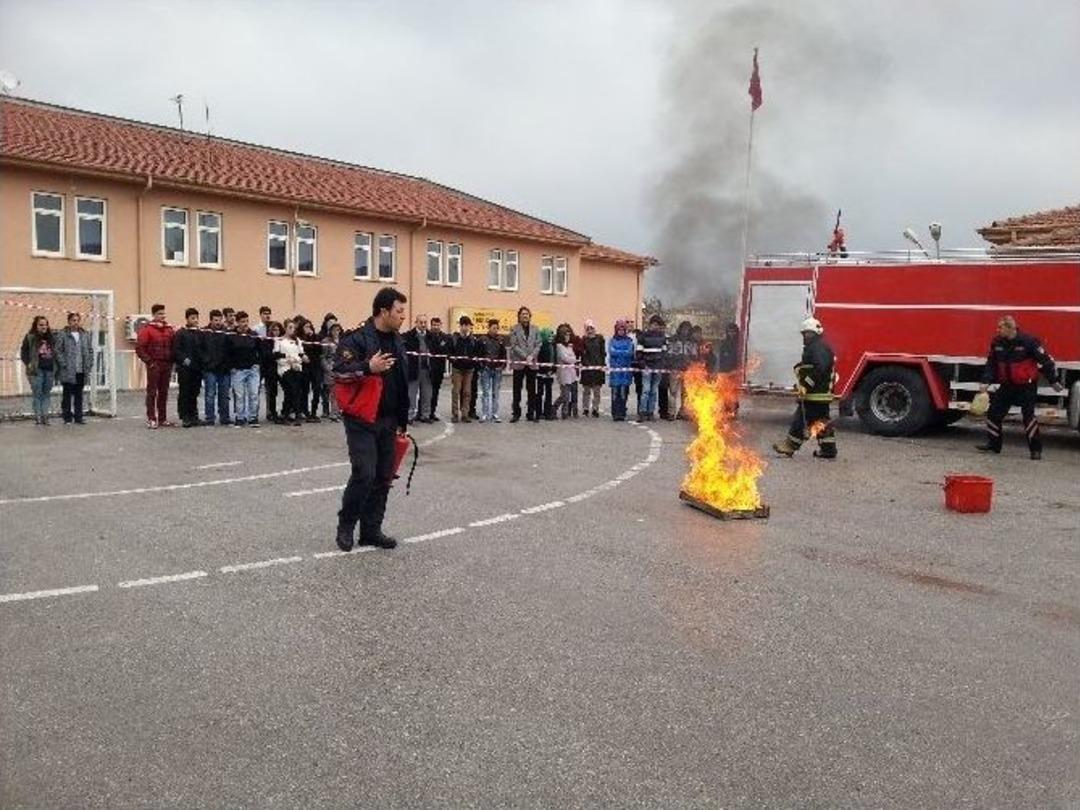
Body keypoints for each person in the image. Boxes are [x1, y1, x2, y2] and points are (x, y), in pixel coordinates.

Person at [333, 287, 410, 551]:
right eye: (399, 312)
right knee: (364, 473)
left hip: (389, 420)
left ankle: (371, 530)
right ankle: (346, 526)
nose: (403, 317)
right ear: (383, 311)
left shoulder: (398, 340)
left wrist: (402, 419)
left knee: (383, 476)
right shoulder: (355, 340)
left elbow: (401, 382)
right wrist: (368, 367)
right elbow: (339, 374)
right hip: (361, 419)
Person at [976, 315, 1062, 460]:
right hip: (1007, 386)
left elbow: (1046, 361)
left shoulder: (1029, 342)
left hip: (1026, 387)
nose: (997, 330)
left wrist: (1053, 381)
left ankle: (1035, 450)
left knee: (1028, 417)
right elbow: (991, 365)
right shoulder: (997, 343)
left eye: (1000, 327)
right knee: (993, 414)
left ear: (1010, 328)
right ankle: (994, 444)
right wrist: (986, 381)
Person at [772, 317, 838, 459]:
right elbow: (813, 366)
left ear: (816, 333)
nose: (805, 336)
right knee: (821, 421)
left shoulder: (817, 348)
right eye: (804, 334)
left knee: (801, 419)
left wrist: (806, 385)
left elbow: (819, 369)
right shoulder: (819, 347)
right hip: (821, 393)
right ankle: (828, 449)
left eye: (808, 333)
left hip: (815, 393)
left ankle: (790, 446)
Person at [135, 304, 175, 429]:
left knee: (164, 392)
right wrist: (150, 362)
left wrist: (172, 361)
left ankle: (162, 419)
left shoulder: (169, 329)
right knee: (152, 392)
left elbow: (174, 346)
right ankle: (151, 418)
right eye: (159, 314)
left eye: (163, 313)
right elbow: (140, 348)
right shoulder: (147, 330)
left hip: (166, 364)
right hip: (154, 365)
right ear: (154, 315)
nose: (162, 316)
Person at [56, 311, 94, 425]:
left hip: (81, 369)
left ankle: (79, 417)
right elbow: (58, 350)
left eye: (77, 320)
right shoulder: (63, 334)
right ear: (69, 321)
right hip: (68, 370)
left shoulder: (85, 334)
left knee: (79, 394)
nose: (75, 322)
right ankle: (67, 417)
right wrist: (64, 364)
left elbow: (90, 350)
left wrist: (89, 363)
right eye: (73, 320)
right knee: (67, 394)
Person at [20, 315, 58, 426]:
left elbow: (56, 352)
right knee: (37, 394)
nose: (44, 327)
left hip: (50, 370)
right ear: (36, 326)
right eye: (41, 325)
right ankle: (38, 417)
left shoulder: (52, 338)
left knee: (46, 394)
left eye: (45, 324)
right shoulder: (30, 337)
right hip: (36, 371)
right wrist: (29, 363)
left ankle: (45, 416)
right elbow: (24, 352)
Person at [228, 311, 262, 427]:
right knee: (239, 395)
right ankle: (240, 417)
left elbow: (260, 350)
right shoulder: (231, 335)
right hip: (238, 371)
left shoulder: (254, 334)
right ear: (237, 323)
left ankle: (253, 417)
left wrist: (257, 364)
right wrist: (231, 367)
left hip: (252, 370)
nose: (245, 324)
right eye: (242, 321)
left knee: (253, 394)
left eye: (247, 321)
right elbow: (227, 352)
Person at [508, 306, 541, 422]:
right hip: (519, 363)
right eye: (523, 314)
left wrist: (531, 356)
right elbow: (514, 345)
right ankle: (516, 413)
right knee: (517, 389)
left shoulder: (536, 329)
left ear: (530, 316)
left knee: (532, 390)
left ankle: (530, 413)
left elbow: (538, 344)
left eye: (527, 314)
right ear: (519, 316)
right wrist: (525, 356)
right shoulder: (514, 329)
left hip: (532, 363)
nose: (525, 316)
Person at [173, 307, 204, 428]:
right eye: (192, 318)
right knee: (185, 392)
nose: (195, 320)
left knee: (194, 392)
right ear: (187, 319)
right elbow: (176, 350)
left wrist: (202, 361)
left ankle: (194, 416)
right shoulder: (181, 333)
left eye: (196, 318)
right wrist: (183, 359)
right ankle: (185, 416)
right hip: (185, 368)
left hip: (197, 368)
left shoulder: (200, 333)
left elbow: (203, 349)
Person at [201, 309, 232, 426]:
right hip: (209, 369)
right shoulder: (204, 332)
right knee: (210, 394)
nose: (218, 322)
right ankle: (210, 418)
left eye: (220, 320)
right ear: (211, 320)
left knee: (224, 395)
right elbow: (200, 349)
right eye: (215, 320)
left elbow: (231, 350)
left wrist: (228, 364)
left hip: (224, 369)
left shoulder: (227, 333)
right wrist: (206, 361)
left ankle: (225, 418)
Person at [636, 315, 668, 421]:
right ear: (650, 324)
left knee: (654, 391)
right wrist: (643, 365)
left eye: (658, 325)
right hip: (646, 367)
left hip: (657, 368)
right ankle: (642, 412)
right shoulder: (642, 336)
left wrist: (661, 365)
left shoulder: (662, 337)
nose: (656, 327)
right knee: (646, 390)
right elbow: (639, 353)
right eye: (654, 324)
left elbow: (664, 352)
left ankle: (650, 412)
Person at [276, 319, 306, 426]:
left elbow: (301, 355)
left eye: (293, 328)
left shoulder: (297, 340)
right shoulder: (279, 340)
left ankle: (290, 414)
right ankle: (289, 414)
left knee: (296, 391)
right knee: (291, 389)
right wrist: (288, 361)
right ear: (285, 328)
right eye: (290, 327)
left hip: (296, 367)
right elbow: (277, 357)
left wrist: (297, 361)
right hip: (284, 368)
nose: (292, 330)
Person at [403, 314, 433, 423]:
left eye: (425, 322)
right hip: (414, 369)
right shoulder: (408, 336)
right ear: (416, 323)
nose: (423, 325)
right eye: (421, 322)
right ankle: (410, 416)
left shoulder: (431, 336)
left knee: (427, 394)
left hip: (427, 370)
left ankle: (425, 415)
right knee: (411, 394)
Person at [449, 315, 478, 423]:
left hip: (469, 370)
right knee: (456, 391)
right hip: (457, 369)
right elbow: (449, 352)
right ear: (460, 326)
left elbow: (477, 354)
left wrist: (474, 360)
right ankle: (455, 414)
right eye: (463, 325)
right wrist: (452, 359)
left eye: (468, 325)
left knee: (467, 392)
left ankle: (465, 414)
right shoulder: (454, 338)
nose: (465, 328)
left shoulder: (473, 340)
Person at [477, 318, 507, 422]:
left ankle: (495, 413)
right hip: (486, 369)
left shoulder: (501, 340)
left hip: (497, 370)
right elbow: (479, 355)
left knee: (496, 392)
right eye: (494, 328)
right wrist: (482, 366)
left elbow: (504, 355)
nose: (496, 330)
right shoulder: (482, 340)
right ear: (489, 328)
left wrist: (502, 366)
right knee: (485, 392)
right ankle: (485, 413)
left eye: (497, 328)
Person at [667, 320, 697, 420]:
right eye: (684, 328)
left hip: (687, 370)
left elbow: (695, 356)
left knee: (686, 393)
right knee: (673, 392)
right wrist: (673, 363)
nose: (685, 331)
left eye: (688, 329)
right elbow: (669, 354)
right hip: (675, 369)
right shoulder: (674, 340)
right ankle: (671, 413)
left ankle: (683, 412)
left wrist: (690, 362)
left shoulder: (692, 342)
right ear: (680, 329)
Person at [608, 320, 635, 422]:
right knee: (615, 393)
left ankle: (622, 413)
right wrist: (622, 352)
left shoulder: (629, 341)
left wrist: (619, 352)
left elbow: (629, 353)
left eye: (623, 329)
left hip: (625, 373)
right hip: (615, 372)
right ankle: (615, 413)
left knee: (623, 393)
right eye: (619, 329)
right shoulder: (612, 340)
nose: (621, 331)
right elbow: (611, 352)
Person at [426, 316, 450, 421]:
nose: (435, 327)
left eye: (437, 325)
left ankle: (432, 412)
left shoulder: (445, 337)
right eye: (433, 325)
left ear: (441, 325)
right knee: (426, 391)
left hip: (439, 369)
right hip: (428, 368)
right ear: (431, 325)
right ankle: (423, 413)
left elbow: (446, 350)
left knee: (435, 391)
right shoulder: (427, 336)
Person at [580, 319, 606, 417]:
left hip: (598, 368)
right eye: (588, 328)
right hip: (587, 368)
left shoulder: (600, 339)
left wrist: (602, 365)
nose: (590, 330)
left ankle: (595, 409)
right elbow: (582, 354)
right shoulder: (583, 340)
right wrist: (585, 364)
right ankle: (585, 408)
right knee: (586, 390)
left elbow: (603, 353)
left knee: (597, 391)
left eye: (592, 328)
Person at [553, 325, 580, 419]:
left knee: (571, 394)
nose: (568, 337)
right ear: (562, 336)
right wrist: (573, 359)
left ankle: (565, 413)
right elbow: (565, 358)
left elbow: (573, 357)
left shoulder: (569, 346)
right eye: (566, 335)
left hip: (572, 373)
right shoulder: (559, 346)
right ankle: (554, 408)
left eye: (569, 335)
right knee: (565, 395)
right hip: (564, 374)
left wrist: (572, 359)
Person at [300, 319, 323, 422]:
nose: (308, 329)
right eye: (306, 327)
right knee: (305, 390)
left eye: (309, 326)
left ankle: (314, 411)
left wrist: (313, 337)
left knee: (317, 389)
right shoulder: (299, 339)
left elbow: (320, 350)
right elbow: (299, 351)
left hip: (316, 366)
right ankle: (305, 411)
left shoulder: (316, 337)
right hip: (305, 367)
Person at [262, 321, 284, 423]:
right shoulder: (267, 341)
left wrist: (278, 355)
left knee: (288, 389)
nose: (277, 332)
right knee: (272, 392)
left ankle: (285, 411)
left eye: (278, 329)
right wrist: (278, 355)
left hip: (282, 368)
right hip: (270, 370)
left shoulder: (283, 340)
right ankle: (272, 412)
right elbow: (267, 356)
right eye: (274, 330)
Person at [321, 323, 342, 421]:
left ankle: (337, 412)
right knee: (333, 391)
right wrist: (327, 368)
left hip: (340, 367)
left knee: (339, 391)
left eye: (338, 330)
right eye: (334, 330)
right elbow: (323, 357)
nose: (336, 332)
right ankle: (333, 413)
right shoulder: (326, 341)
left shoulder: (342, 340)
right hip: (330, 367)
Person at [536, 327, 556, 420]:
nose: (550, 337)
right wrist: (545, 370)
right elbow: (539, 361)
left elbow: (554, 360)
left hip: (550, 374)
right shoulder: (540, 347)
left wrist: (552, 370)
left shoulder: (553, 346)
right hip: (541, 374)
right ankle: (539, 412)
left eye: (552, 335)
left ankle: (547, 413)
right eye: (549, 335)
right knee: (539, 393)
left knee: (549, 394)